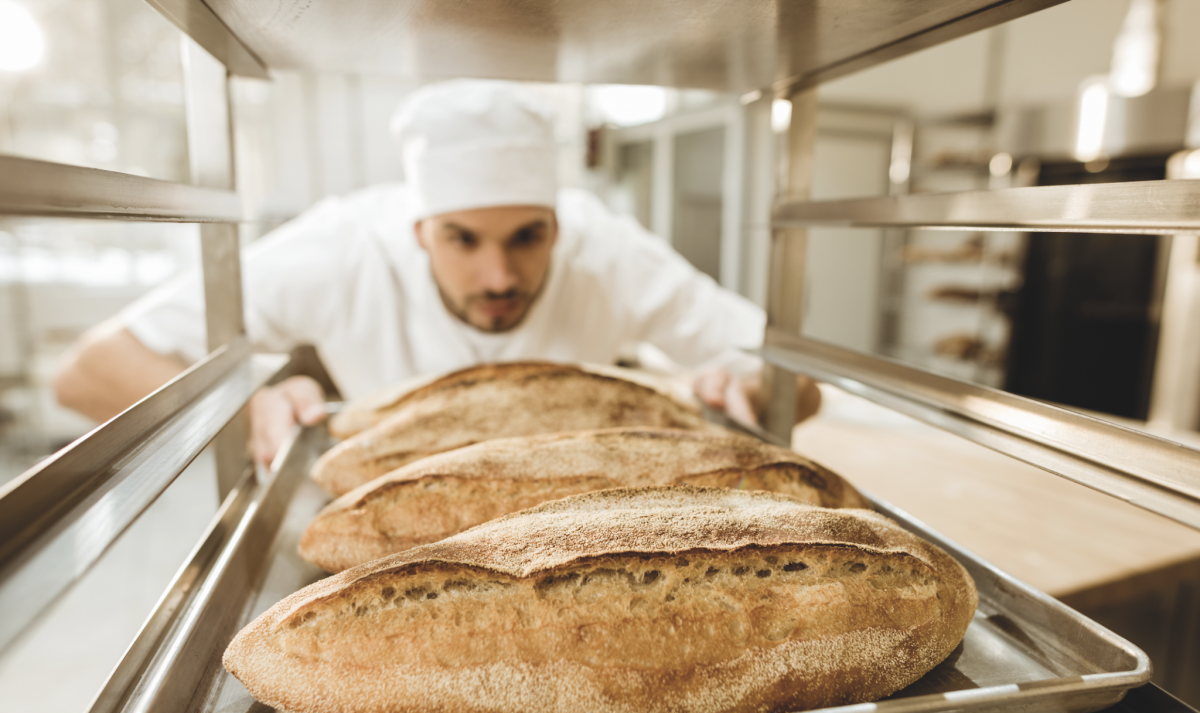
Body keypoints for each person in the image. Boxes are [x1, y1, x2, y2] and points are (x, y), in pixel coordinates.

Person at [54, 80, 818, 464]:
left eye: (527, 237)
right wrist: (244, 411)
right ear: (419, 231)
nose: (498, 275)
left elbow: (800, 380)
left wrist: (745, 389)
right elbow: (88, 372)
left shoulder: (605, 249)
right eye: (462, 240)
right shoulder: (342, 247)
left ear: (560, 225)